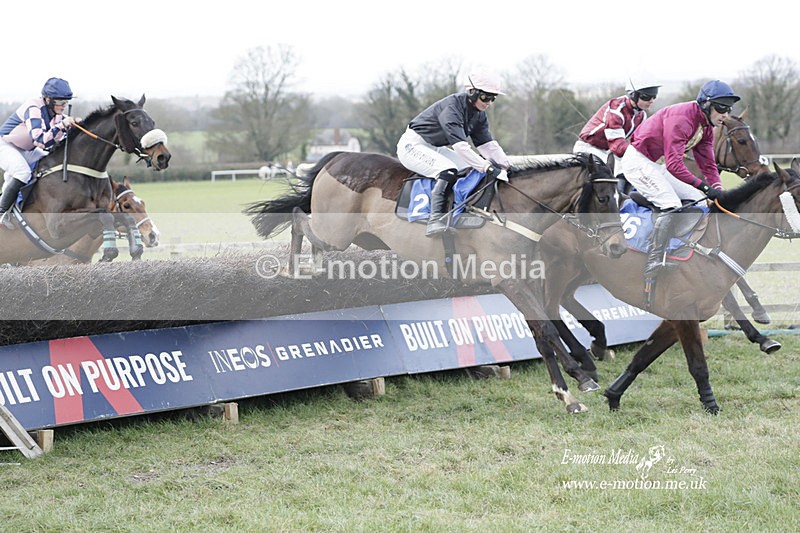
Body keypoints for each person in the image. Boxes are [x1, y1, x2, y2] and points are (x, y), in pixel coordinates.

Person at [620, 79, 739, 278]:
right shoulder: (682, 118)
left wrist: (717, 188)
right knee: (671, 204)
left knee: (695, 198)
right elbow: (675, 165)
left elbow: (708, 164)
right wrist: (706, 187)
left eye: (728, 109)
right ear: (706, 104)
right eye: (721, 108)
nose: (725, 115)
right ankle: (654, 260)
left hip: (657, 164)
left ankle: (679, 249)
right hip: (638, 161)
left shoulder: (706, 126)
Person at [397, 71, 511, 237]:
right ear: (472, 92)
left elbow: (488, 146)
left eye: (493, 98)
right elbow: (460, 147)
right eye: (486, 97)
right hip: (412, 145)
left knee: (470, 171)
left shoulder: (479, 114)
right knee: (448, 170)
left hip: (434, 147)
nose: (489, 103)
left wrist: (505, 165)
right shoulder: (453, 107)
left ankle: (459, 211)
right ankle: (435, 220)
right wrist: (487, 167)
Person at [0, 77, 79, 228]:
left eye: (66, 102)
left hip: (25, 149)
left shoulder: (55, 113)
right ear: (48, 99)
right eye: (60, 101)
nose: (64, 106)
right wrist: (62, 125)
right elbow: (41, 141)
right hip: (5, 145)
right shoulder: (33, 107)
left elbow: (56, 142)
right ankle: (1, 213)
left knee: (50, 162)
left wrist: (74, 127)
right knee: (22, 172)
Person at [573, 80, 660, 194]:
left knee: (630, 172)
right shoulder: (616, 110)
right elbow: (618, 147)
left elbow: (640, 142)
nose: (651, 101)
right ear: (634, 95)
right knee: (607, 178)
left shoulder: (641, 115)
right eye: (647, 97)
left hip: (609, 151)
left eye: (654, 97)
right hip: (589, 148)